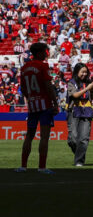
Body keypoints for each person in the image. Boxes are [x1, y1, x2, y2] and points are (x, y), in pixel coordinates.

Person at [16, 43, 58, 174]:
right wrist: (55, 103)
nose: (46, 54)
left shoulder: (24, 68)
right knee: (44, 137)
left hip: (33, 105)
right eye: (45, 51)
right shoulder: (43, 66)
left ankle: (23, 166)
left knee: (29, 136)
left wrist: (31, 97)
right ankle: (42, 167)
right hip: (45, 104)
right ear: (39, 53)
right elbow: (48, 86)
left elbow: (23, 89)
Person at [67, 63, 93, 167]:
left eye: (86, 72)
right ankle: (79, 154)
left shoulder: (89, 83)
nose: (84, 74)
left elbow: (91, 97)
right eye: (82, 72)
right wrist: (87, 88)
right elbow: (75, 95)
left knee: (84, 138)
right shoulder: (71, 82)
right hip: (74, 110)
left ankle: (79, 161)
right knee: (72, 139)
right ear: (76, 72)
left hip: (86, 110)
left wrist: (92, 90)